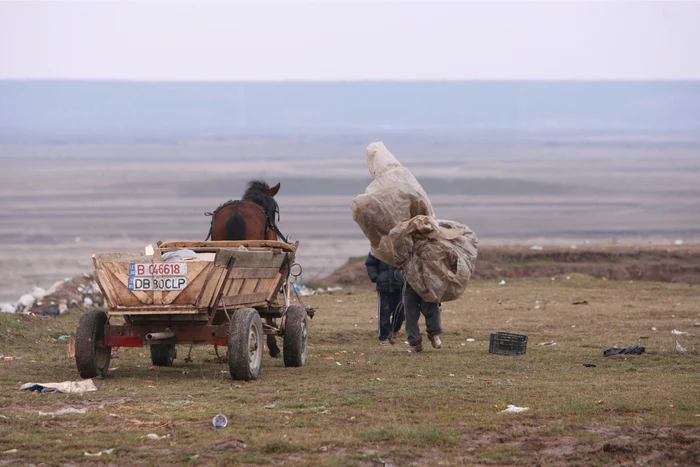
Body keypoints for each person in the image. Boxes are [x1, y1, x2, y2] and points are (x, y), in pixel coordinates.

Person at [365, 252, 405, 346]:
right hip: (384, 287)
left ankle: (394, 331)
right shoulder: (379, 247)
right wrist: (375, 277)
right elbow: (370, 263)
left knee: (401, 314)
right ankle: (384, 337)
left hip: (401, 286)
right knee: (384, 314)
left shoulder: (402, 246)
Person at [402, 279, 442, 352]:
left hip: (428, 280)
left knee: (432, 307)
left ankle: (434, 334)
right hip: (410, 281)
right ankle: (414, 342)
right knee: (410, 311)